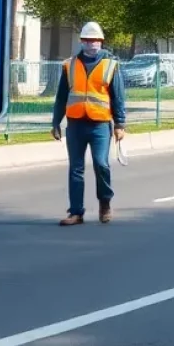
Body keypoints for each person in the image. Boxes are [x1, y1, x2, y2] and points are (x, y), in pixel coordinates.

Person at [51, 22, 127, 225]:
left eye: (95, 40)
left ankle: (105, 203)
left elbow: (118, 97)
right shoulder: (70, 65)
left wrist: (120, 124)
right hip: (75, 124)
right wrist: (55, 122)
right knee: (76, 168)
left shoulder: (110, 65)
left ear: (101, 42)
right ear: (82, 41)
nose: (91, 44)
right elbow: (61, 97)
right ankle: (76, 212)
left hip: (100, 125)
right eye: (87, 40)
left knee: (101, 164)